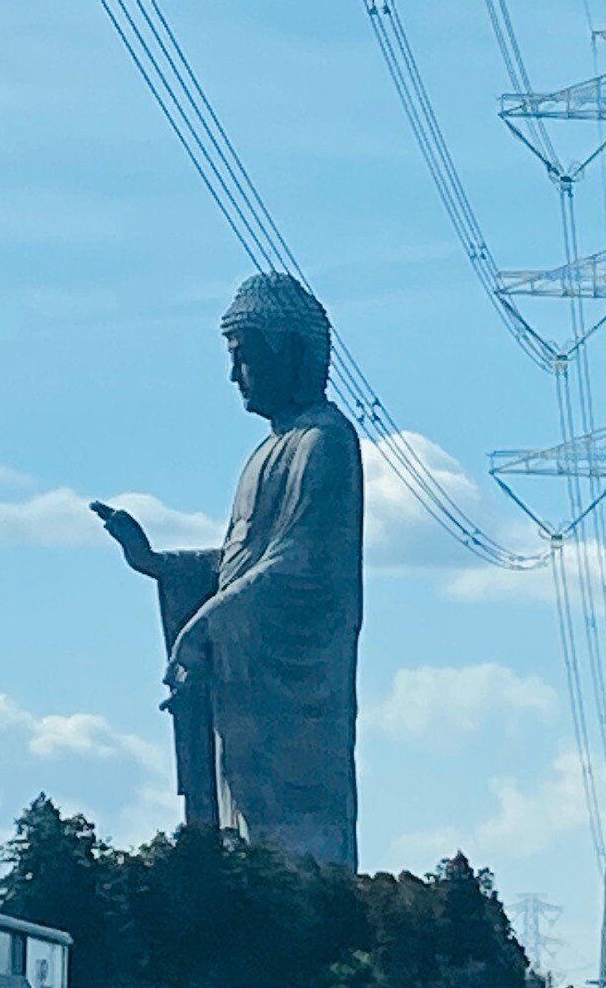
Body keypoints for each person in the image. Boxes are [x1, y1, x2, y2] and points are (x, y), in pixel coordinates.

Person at [92, 272, 363, 870]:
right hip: (243, 687)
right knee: (237, 833)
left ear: (287, 353)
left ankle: (308, 906)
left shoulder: (325, 442)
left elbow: (302, 564)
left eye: (244, 357)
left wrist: (205, 626)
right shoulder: (266, 452)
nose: (234, 375)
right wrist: (158, 565)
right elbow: (242, 560)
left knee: (292, 845)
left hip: (295, 692)